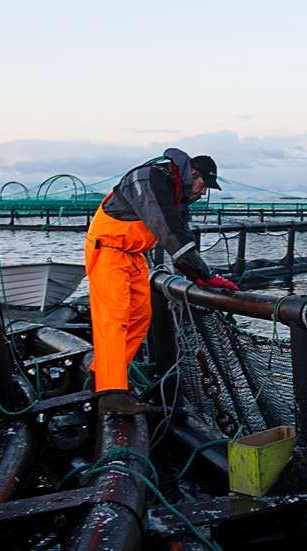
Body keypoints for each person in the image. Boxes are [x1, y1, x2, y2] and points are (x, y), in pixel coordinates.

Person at [85, 147, 239, 414]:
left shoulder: (176, 195)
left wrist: (201, 276)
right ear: (193, 173)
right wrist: (204, 275)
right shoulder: (150, 179)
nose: (203, 192)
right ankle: (111, 394)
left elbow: (179, 236)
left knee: (140, 317)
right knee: (115, 319)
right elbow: (168, 230)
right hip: (109, 250)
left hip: (133, 255)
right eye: (203, 185)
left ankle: (103, 376)